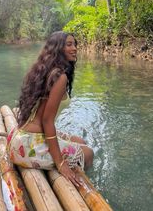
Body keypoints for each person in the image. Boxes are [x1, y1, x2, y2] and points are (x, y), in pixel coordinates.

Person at [7, 31, 93, 186]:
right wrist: (60, 163)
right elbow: (47, 121)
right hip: (27, 147)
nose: (74, 48)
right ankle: (84, 184)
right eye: (69, 45)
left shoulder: (46, 70)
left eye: (75, 44)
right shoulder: (60, 77)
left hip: (20, 138)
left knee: (79, 140)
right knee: (88, 153)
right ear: (57, 48)